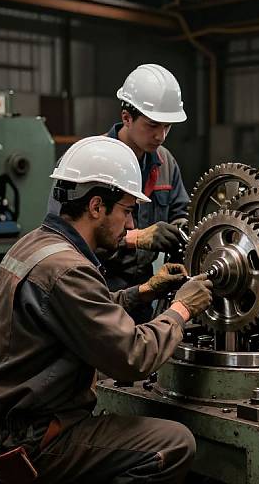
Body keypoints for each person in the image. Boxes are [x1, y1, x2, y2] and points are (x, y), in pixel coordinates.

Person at [0, 136, 213, 483]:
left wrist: (144, 291)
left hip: (7, 427)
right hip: (36, 440)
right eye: (126, 210)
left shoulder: (37, 244)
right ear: (95, 206)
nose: (132, 226)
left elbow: (81, 315)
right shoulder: (68, 270)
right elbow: (133, 356)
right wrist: (182, 309)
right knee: (175, 443)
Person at [49, 64, 190, 324]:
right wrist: (135, 238)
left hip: (146, 288)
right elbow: (61, 235)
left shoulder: (165, 162)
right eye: (152, 125)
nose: (161, 136)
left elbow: (181, 212)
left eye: (167, 127)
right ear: (126, 117)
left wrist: (181, 226)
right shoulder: (89, 161)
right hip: (95, 286)